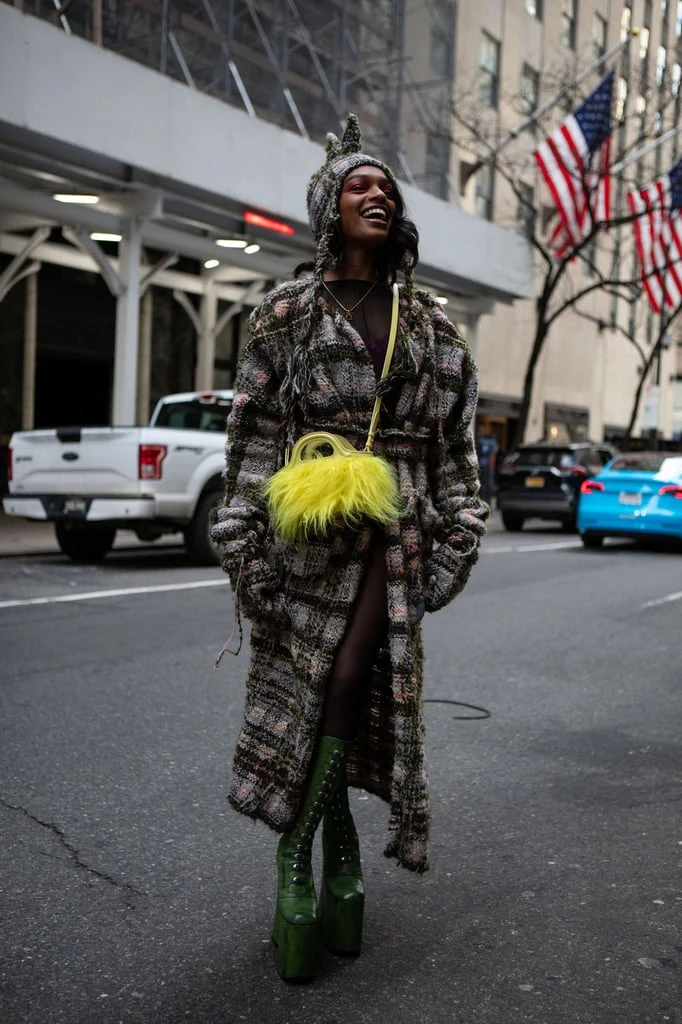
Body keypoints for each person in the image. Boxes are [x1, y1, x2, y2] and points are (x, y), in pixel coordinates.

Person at [210, 113, 488, 982]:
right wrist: (242, 538)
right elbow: (254, 437)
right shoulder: (287, 313)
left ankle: (294, 856)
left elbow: (456, 452)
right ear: (328, 206)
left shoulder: (431, 324)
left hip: (395, 537)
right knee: (322, 689)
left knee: (346, 678)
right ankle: (337, 855)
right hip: (308, 534)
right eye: (359, 185)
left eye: (386, 187)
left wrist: (458, 537)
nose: (379, 195)